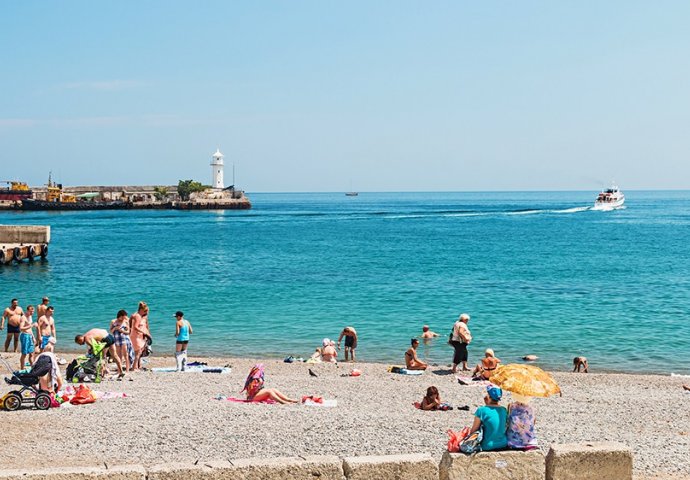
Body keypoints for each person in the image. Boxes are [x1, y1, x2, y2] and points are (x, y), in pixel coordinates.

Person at [469, 385, 508, 451]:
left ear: (489, 397)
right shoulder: (504, 410)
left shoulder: (481, 410)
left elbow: (474, 430)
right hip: (503, 443)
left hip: (487, 445)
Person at [130, 301, 150, 371]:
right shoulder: (137, 316)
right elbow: (135, 327)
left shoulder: (134, 315)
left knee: (138, 352)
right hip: (136, 336)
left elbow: (131, 326)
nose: (145, 313)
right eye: (145, 311)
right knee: (138, 353)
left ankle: (135, 367)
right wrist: (144, 332)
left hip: (135, 335)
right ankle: (134, 368)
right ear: (141, 310)